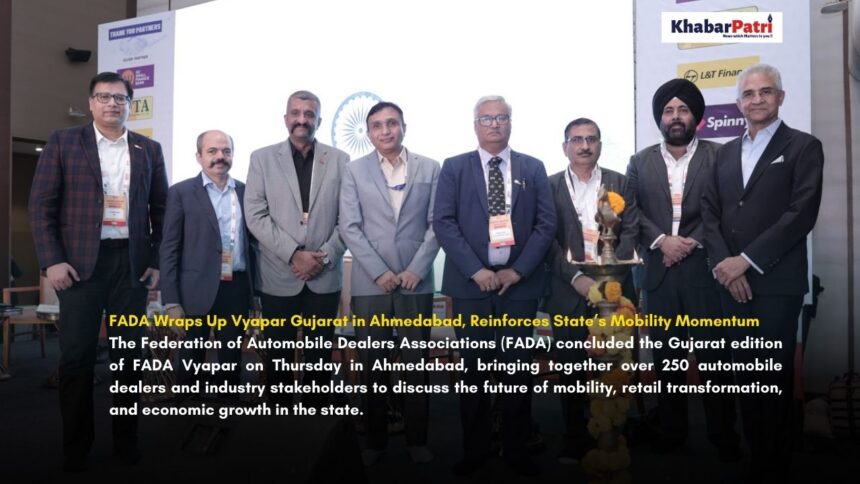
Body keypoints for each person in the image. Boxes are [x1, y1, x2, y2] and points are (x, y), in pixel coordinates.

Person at [28, 71, 168, 471]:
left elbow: (161, 209)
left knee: (129, 358)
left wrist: (155, 261)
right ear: (91, 103)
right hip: (78, 268)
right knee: (76, 359)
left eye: (120, 98)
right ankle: (77, 448)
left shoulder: (148, 148)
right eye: (104, 97)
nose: (112, 104)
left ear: (130, 105)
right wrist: (52, 260)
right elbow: (41, 206)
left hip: (130, 267)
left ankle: (126, 442)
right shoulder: (63, 142)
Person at [702, 63, 824, 481]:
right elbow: (710, 214)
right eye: (749, 94)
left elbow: (800, 213)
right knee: (745, 378)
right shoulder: (722, 153)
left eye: (765, 92)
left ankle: (774, 465)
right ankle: (758, 459)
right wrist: (726, 265)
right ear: (738, 103)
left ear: (780, 98)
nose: (757, 100)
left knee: (772, 379)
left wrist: (747, 260)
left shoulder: (803, 147)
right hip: (729, 283)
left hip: (775, 284)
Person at [433, 95, 556, 477]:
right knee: (474, 371)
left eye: (501, 117)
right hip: (471, 286)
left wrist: (517, 271)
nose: (494, 124)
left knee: (517, 369)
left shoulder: (533, 167)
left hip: (518, 286)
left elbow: (546, 224)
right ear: (475, 125)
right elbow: (444, 222)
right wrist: (476, 270)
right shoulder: (454, 167)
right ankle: (475, 450)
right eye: (486, 118)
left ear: (511, 123)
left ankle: (517, 449)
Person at [626, 79, 741, 460]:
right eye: (669, 110)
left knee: (714, 358)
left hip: (705, 270)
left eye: (683, 110)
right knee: (667, 359)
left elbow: (728, 207)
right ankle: (672, 431)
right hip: (659, 272)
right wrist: (663, 241)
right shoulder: (640, 161)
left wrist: (689, 241)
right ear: (660, 118)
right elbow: (632, 211)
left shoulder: (720, 155)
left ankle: (723, 435)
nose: (676, 117)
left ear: (696, 117)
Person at [339, 101, 440, 466]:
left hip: (417, 281)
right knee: (372, 366)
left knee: (416, 365)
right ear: (368, 133)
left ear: (403, 127)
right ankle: (375, 443)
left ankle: (417, 441)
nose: (385, 130)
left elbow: (437, 224)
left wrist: (417, 268)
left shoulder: (430, 167)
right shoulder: (353, 171)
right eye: (377, 125)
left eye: (392, 123)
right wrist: (379, 271)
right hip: (371, 283)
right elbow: (350, 226)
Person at [244, 90, 348, 408]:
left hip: (324, 274)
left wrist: (323, 256)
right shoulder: (261, 158)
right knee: (278, 357)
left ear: (319, 120)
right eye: (296, 113)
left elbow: (349, 218)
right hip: (278, 274)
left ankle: (316, 422)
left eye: (309, 114)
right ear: (286, 118)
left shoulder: (341, 160)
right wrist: (294, 254)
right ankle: (281, 422)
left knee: (319, 357)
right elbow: (255, 215)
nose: (302, 119)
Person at [545, 117, 638, 464]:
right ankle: (575, 436)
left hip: (613, 289)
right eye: (577, 139)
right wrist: (576, 279)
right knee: (571, 366)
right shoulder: (549, 185)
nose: (584, 146)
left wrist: (610, 276)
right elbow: (547, 241)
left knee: (614, 364)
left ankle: (613, 434)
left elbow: (631, 231)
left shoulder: (620, 182)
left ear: (599, 144)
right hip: (568, 289)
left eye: (591, 139)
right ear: (565, 146)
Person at [160, 130, 253, 389]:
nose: (220, 156)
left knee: (231, 362)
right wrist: (171, 301)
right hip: (194, 289)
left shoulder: (246, 192)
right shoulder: (181, 192)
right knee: (190, 360)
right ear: (199, 156)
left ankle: (228, 408)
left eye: (226, 151)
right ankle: (188, 408)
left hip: (235, 287)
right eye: (212, 151)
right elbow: (169, 248)